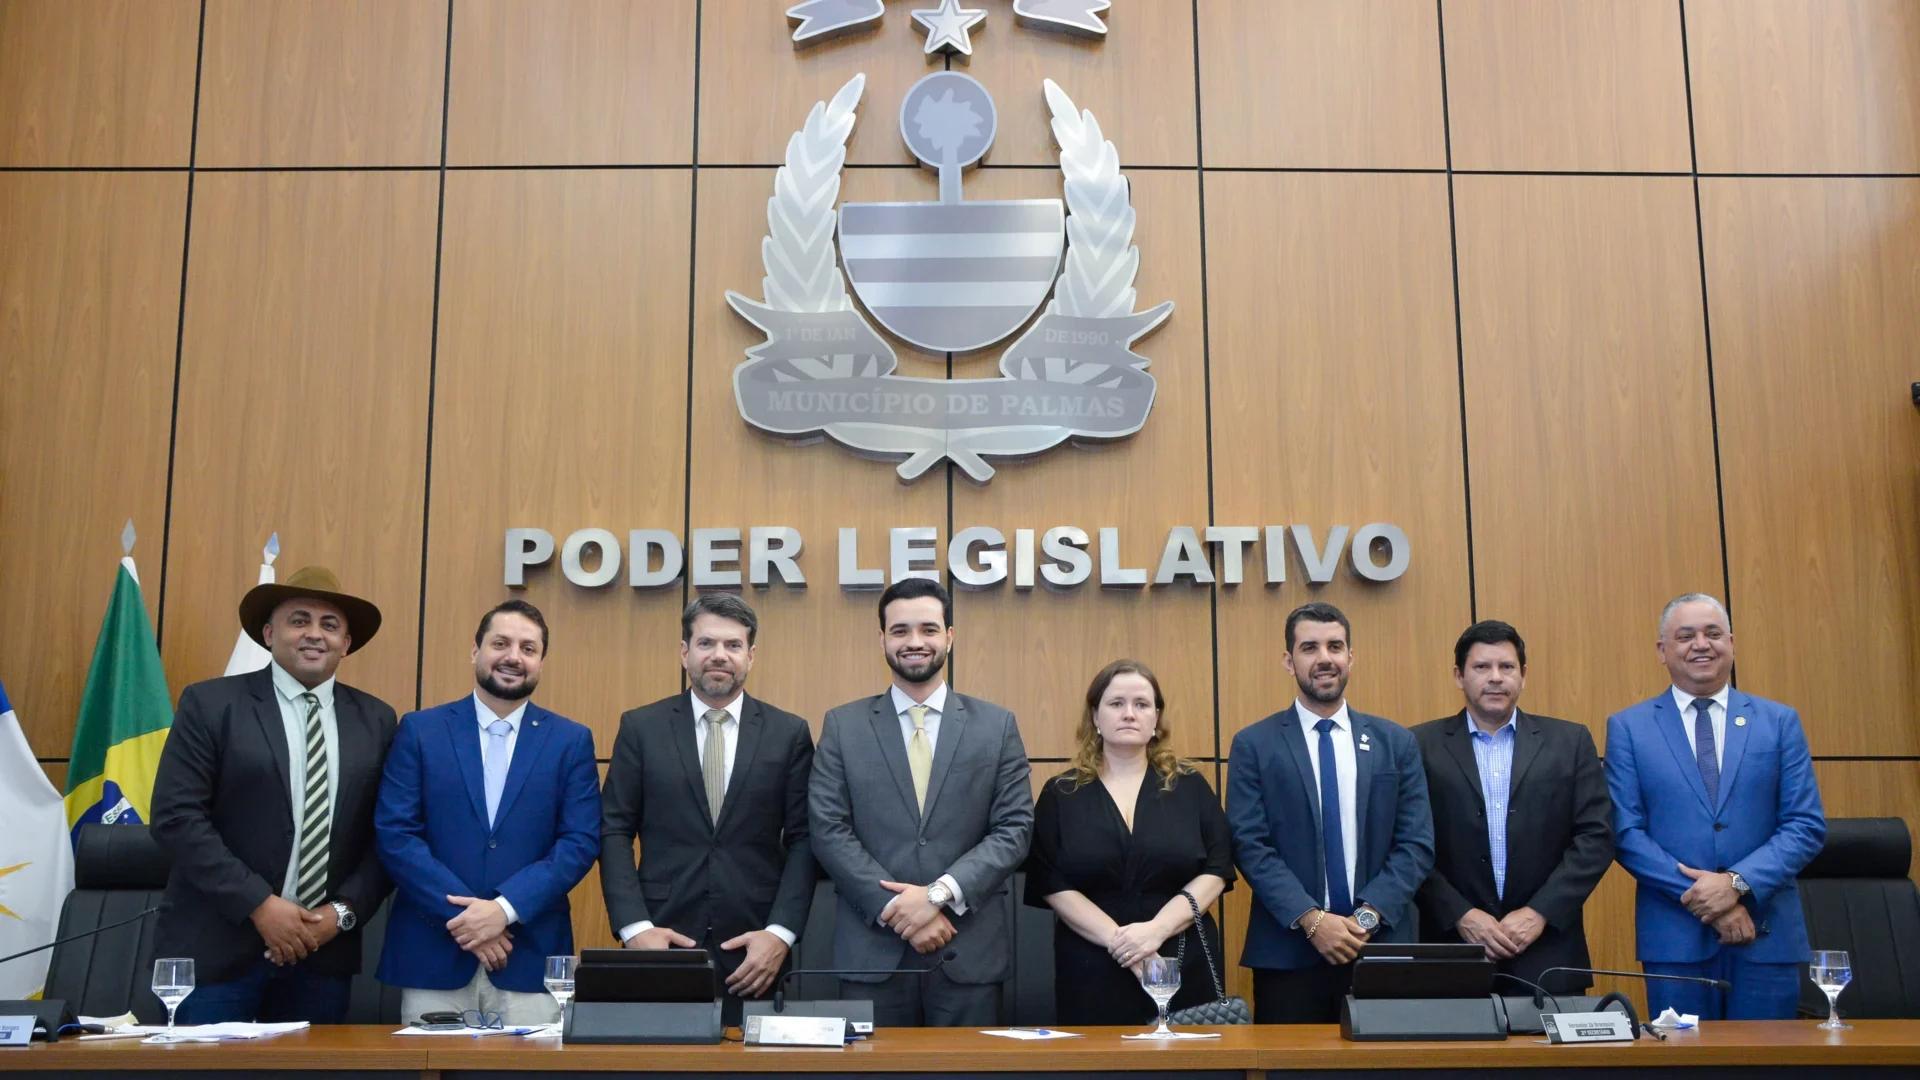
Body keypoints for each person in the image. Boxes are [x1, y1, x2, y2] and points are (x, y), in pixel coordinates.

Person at [150, 566, 396, 1024]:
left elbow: (387, 835)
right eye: (299, 620)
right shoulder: (211, 704)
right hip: (217, 955)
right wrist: (260, 906)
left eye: (329, 625)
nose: (314, 634)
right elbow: (176, 817)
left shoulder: (378, 720)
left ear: (346, 643)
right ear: (268, 634)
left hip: (321, 959)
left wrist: (341, 913)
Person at [810, 577, 1032, 1027]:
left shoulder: (996, 726)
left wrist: (937, 895)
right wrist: (899, 911)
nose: (915, 642)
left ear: (949, 637)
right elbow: (828, 829)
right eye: (900, 630)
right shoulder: (843, 726)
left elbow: (1014, 829)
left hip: (967, 953)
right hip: (872, 954)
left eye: (928, 629)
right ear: (882, 640)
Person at [374, 600, 600, 1026]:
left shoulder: (570, 741)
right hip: (433, 953)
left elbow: (579, 842)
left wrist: (503, 910)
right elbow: (396, 834)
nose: (514, 657)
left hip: (528, 955)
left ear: (541, 662)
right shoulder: (421, 730)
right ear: (475, 651)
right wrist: (468, 919)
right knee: (433, 1064)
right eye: (500, 643)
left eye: (528, 649)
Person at [1606, 593, 1825, 1021]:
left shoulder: (1779, 722)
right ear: (1662, 650)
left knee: (1768, 1057)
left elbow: (1805, 825)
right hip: (1675, 940)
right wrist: (1707, 898)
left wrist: (1737, 884)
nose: (1701, 644)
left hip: (1766, 935)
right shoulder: (1629, 727)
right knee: (1682, 1058)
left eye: (1712, 633)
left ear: (1732, 643)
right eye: (1685, 636)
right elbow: (1625, 833)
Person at [599, 595, 816, 1025]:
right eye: (706, 643)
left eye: (733, 645)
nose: (719, 655)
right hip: (661, 943)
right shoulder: (641, 728)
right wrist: (635, 928)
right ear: (685, 653)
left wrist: (780, 934)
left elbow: (806, 839)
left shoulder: (788, 733)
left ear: (751, 656)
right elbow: (614, 829)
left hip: (755, 951)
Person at [1226, 601, 1433, 1024]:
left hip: (1380, 948)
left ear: (1350, 657)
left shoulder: (1396, 743)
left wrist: (1365, 919)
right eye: (1310, 647)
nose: (1325, 658)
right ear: (1289, 661)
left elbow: (1416, 844)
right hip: (1289, 955)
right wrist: (1313, 921)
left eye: (1335, 646)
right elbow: (1250, 845)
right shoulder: (1254, 745)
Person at [1024, 660, 1234, 1026]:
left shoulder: (1190, 786)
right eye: (1116, 703)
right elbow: (1050, 881)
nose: (1129, 714)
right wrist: (1123, 944)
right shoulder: (1061, 793)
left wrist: (1155, 932)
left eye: (1141, 704)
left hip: (1179, 956)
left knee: (1184, 1057)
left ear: (1156, 718)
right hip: (1092, 961)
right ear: (1095, 716)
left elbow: (1217, 869)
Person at [1413, 621, 1613, 996]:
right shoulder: (1418, 745)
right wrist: (1460, 914)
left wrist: (1540, 912)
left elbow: (1596, 837)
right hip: (1453, 951)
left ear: (1523, 675)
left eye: (1506, 667)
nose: (1495, 677)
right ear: (1459, 676)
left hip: (1549, 952)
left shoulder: (1569, 741)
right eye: (1481, 667)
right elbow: (1408, 844)